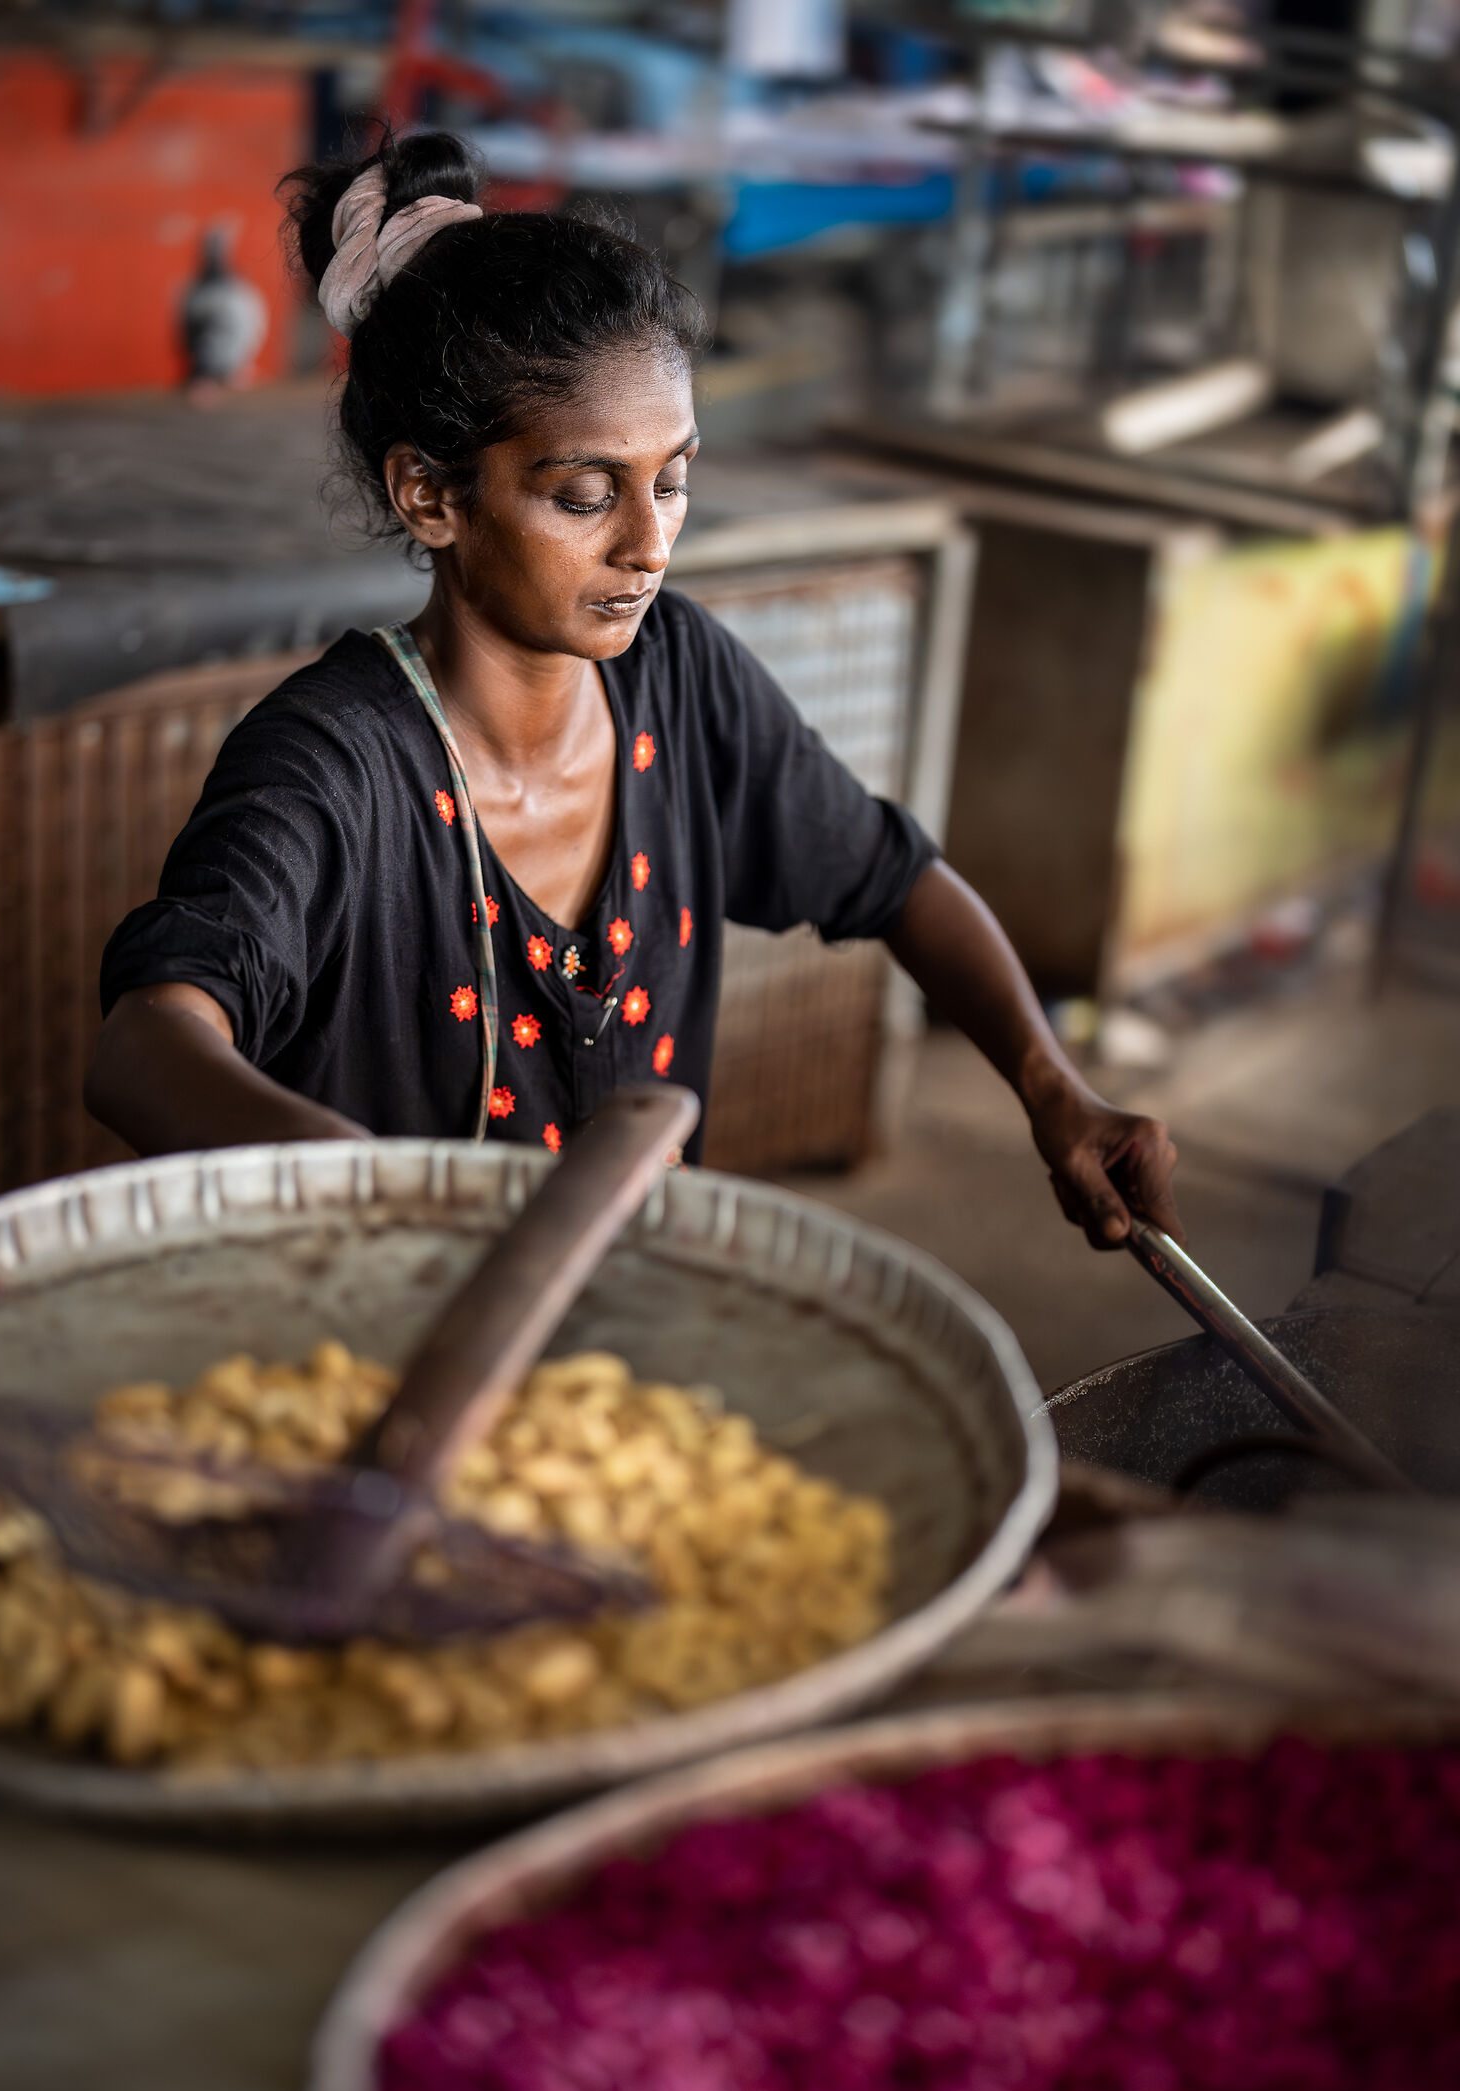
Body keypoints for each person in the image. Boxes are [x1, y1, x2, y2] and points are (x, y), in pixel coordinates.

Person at [87, 128, 1180, 1251]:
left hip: (628, 1341)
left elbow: (895, 879)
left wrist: (1055, 1092)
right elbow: (145, 1043)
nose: (648, 545)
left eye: (674, 481)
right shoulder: (333, 765)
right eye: (584, 494)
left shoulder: (680, 678)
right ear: (428, 496)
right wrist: (340, 1178)